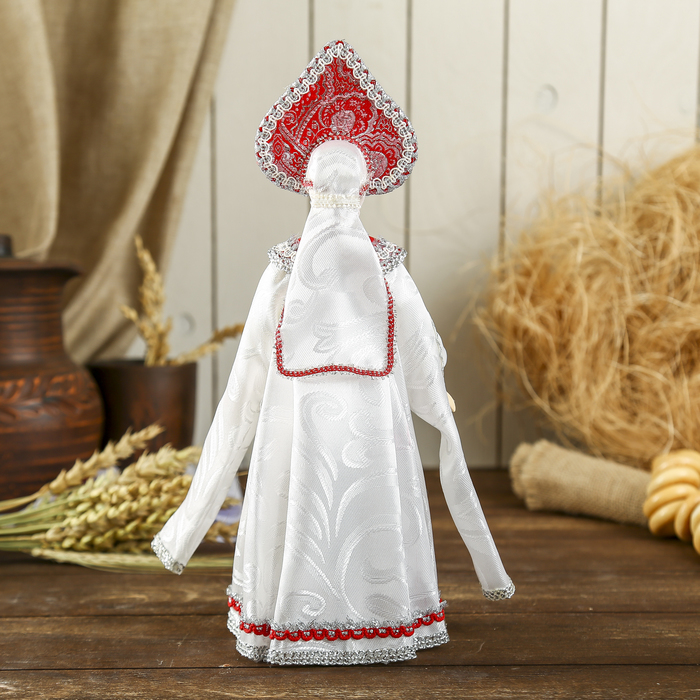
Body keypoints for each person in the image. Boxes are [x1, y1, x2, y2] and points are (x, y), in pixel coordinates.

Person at [152, 39, 514, 666]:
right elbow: (419, 343)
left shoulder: (285, 268)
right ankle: (379, 614)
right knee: (372, 496)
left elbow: (250, 370)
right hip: (373, 418)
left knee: (298, 497)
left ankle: (294, 618)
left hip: (293, 414)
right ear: (365, 188)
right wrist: (435, 396)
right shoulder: (385, 265)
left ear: (307, 185)